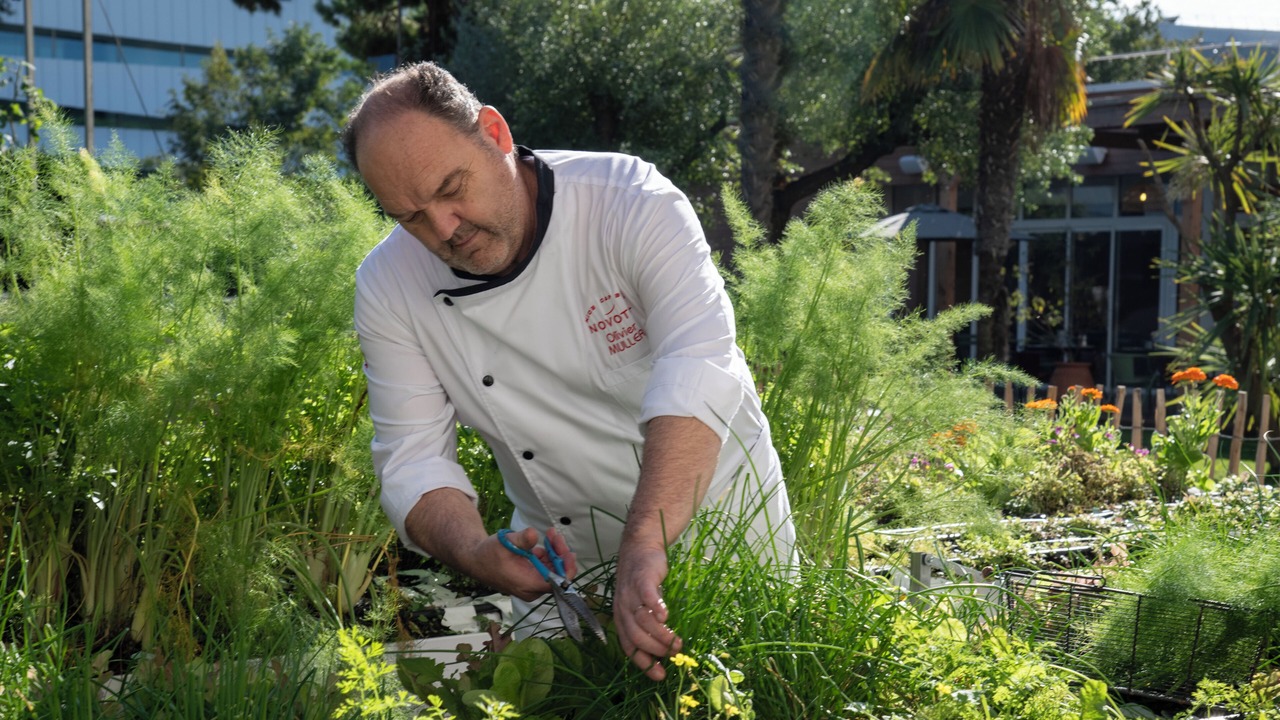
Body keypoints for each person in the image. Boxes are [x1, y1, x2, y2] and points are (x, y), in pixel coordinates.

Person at [344, 61, 794, 682]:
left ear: (495, 134)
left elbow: (701, 369)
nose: (444, 229)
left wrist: (645, 545)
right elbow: (412, 461)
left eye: (452, 189)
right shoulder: (389, 285)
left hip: (720, 528)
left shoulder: (631, 203)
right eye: (411, 217)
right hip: (560, 562)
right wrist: (479, 553)